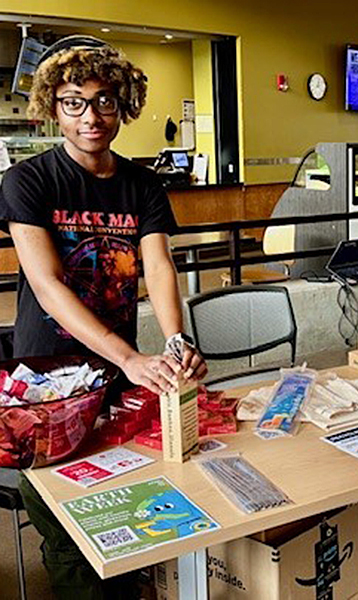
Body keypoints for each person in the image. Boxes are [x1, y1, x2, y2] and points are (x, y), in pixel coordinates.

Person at [0, 36, 207, 599]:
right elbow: (47, 286)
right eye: (74, 101)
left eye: (104, 101)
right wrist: (131, 356)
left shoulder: (142, 184)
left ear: (124, 105)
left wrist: (176, 340)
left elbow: (159, 267)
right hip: (48, 388)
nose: (91, 116)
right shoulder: (28, 180)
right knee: (67, 531)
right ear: (52, 106)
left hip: (120, 375)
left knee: (125, 506)